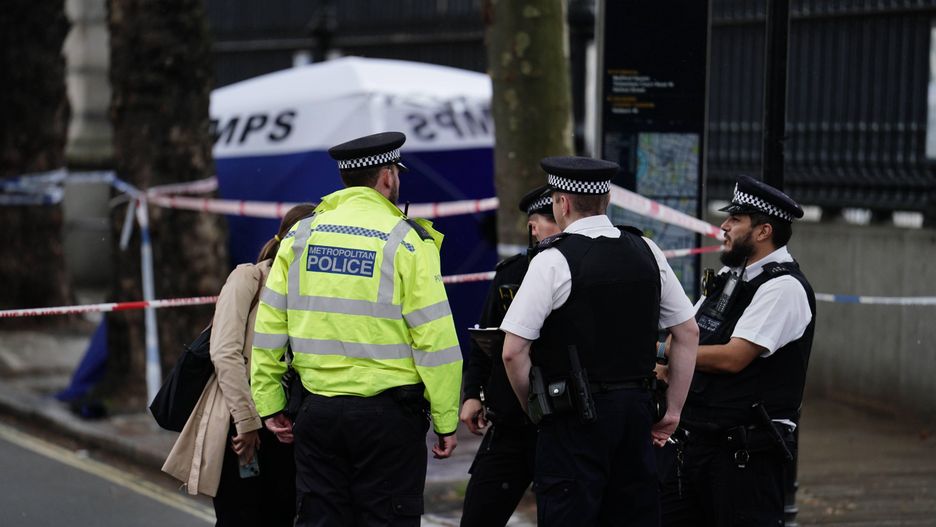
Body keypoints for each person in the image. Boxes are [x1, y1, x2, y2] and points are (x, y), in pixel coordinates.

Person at [250, 131, 463, 527]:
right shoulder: (406, 241)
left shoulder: (301, 235)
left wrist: (269, 403)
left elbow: (269, 328)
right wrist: (446, 420)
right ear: (386, 177)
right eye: (396, 172)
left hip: (317, 413)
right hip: (389, 421)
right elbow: (436, 342)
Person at [501, 156, 699, 527]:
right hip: (636, 413)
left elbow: (513, 352)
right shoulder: (647, 250)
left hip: (572, 418)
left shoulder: (553, 260)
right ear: (606, 200)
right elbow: (688, 332)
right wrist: (672, 411)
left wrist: (535, 407)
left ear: (562, 203)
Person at [658, 175, 815, 527]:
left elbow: (733, 357)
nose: (724, 227)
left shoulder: (783, 287)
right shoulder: (730, 278)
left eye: (735, 219)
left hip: (743, 458)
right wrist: (668, 365)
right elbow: (690, 335)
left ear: (763, 231)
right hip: (694, 446)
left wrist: (673, 354)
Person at [162, 203, 315, 527]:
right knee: (240, 517)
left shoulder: (315, 292)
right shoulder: (249, 277)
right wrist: (247, 423)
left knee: (283, 516)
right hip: (243, 422)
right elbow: (225, 352)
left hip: (291, 427)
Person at [459, 184, 561, 526]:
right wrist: (471, 394)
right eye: (550, 218)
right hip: (510, 423)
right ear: (533, 226)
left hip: (563, 422)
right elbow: (485, 339)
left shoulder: (581, 268)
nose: (560, 223)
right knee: (478, 515)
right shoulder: (511, 273)